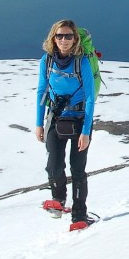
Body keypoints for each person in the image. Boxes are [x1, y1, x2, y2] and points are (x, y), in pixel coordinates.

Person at [36, 19, 97, 231]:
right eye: (60, 36)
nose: (64, 40)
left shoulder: (82, 63)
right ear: (53, 38)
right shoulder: (47, 61)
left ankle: (79, 216)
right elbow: (41, 93)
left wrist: (86, 132)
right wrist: (38, 123)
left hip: (80, 120)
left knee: (77, 170)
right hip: (55, 118)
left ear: (75, 39)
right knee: (53, 164)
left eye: (68, 36)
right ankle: (59, 200)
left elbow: (90, 97)